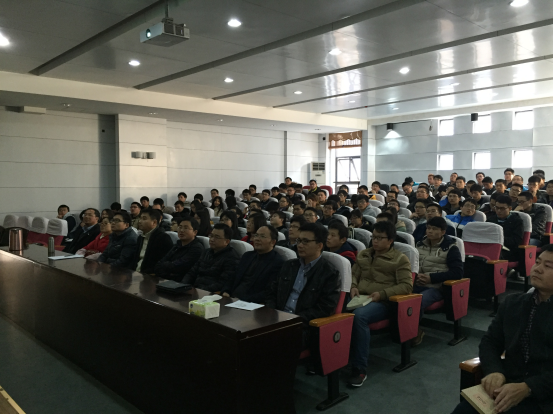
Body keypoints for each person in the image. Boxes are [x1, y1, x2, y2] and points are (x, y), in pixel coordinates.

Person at [451, 246, 553, 415]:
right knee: (463, 411)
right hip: (508, 383)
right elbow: (490, 341)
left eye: (548, 266)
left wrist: (528, 387)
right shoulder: (513, 303)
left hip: (544, 396)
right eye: (537, 262)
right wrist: (495, 371)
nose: (538, 269)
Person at [348, 221, 413, 387]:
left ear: (390, 240)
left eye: (379, 238)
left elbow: (406, 286)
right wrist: (353, 286)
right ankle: (332, 359)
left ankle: (360, 368)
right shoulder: (364, 254)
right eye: (373, 237)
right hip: (359, 296)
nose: (375, 241)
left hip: (383, 302)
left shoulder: (400, 259)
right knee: (333, 308)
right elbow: (354, 274)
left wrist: (382, 294)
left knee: (359, 317)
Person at [266, 223, 340, 349]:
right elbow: (272, 292)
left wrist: (294, 319)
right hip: (277, 319)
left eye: (305, 241)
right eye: (299, 241)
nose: (300, 245)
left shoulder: (329, 273)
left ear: (320, 245)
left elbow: (325, 308)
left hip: (303, 326)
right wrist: (272, 313)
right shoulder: (289, 265)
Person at [412, 217, 463, 346]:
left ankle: (414, 331)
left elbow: (457, 273)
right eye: (428, 228)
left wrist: (431, 278)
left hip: (436, 287)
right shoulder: (419, 244)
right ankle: (402, 330)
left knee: (417, 301)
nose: (430, 231)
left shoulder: (451, 248)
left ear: (443, 232)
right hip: (417, 283)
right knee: (398, 296)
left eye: (434, 229)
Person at [221, 225, 284, 303]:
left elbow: (268, 292)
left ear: (273, 242)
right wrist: (226, 291)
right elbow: (233, 276)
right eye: (256, 235)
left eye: (262, 236)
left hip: (251, 303)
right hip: (232, 298)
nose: (257, 239)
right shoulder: (247, 256)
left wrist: (243, 300)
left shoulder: (277, 262)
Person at [181, 224, 240, 292]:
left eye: (217, 237)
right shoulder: (206, 252)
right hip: (195, 289)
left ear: (226, 242)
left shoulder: (232, 258)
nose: (212, 239)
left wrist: (200, 291)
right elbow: (192, 272)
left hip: (210, 293)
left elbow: (222, 283)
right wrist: (183, 286)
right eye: (211, 236)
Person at [154, 216, 205, 281]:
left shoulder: (197, 248)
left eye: (186, 228)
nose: (181, 230)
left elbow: (179, 267)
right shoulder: (177, 245)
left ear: (195, 232)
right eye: (180, 227)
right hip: (167, 279)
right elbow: (159, 264)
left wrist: (165, 266)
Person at [129, 208, 174, 274]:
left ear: (154, 222)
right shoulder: (140, 237)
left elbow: (162, 264)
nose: (140, 221)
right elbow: (135, 259)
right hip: (136, 273)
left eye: (144, 219)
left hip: (150, 275)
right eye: (140, 218)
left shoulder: (163, 238)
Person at [487, 195, 524, 262]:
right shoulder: (491, 219)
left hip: (509, 250)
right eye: (497, 207)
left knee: (493, 255)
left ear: (509, 208)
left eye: (502, 208)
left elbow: (516, 240)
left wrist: (499, 239)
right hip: (491, 246)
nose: (499, 211)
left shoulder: (517, 221)